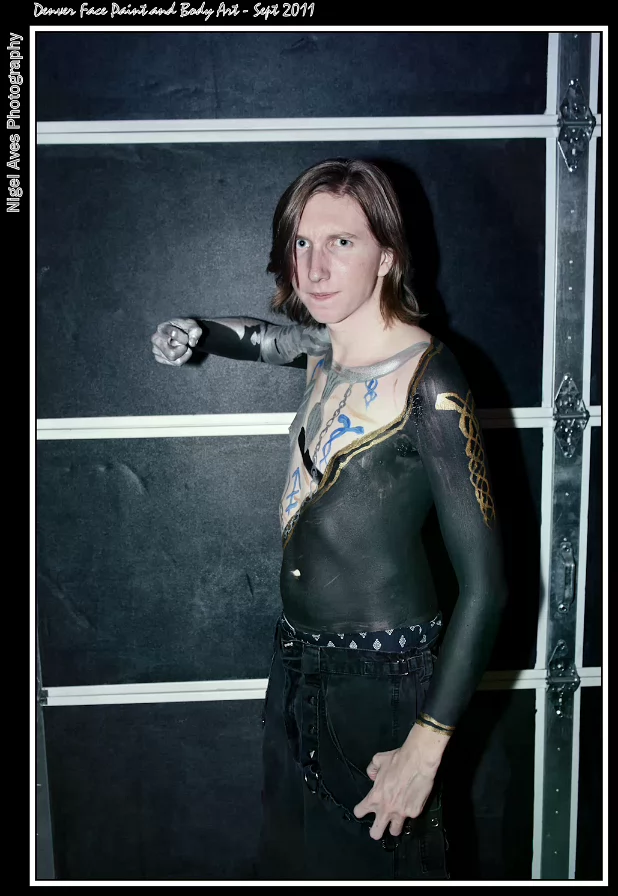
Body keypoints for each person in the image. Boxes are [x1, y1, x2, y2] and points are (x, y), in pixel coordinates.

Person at [150, 158, 508, 881]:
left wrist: (425, 745)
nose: (314, 267)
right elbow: (261, 337)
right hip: (295, 661)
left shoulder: (429, 380)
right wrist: (197, 331)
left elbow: (487, 588)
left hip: (382, 681)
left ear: (388, 255)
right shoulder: (324, 348)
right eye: (302, 242)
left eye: (342, 242)